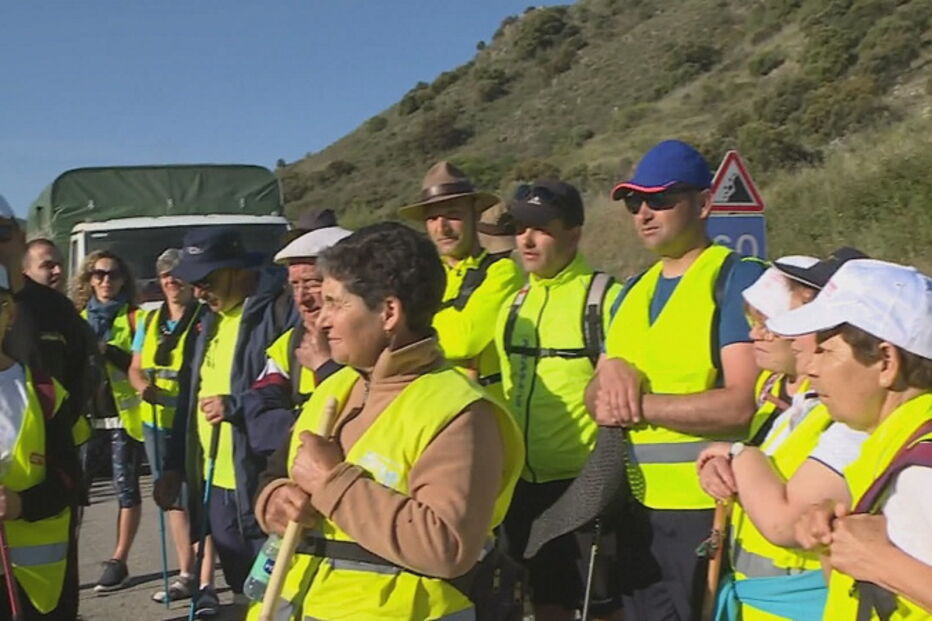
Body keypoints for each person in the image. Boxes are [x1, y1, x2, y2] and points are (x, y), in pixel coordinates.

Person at [250, 222, 523, 620]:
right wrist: (273, 498)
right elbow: (279, 469)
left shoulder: (460, 413)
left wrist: (332, 484)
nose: (321, 320)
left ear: (389, 312)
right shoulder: (334, 386)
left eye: (336, 303)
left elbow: (446, 546)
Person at [588, 140, 766, 619]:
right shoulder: (628, 294)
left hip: (709, 510)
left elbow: (741, 405)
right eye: (634, 202)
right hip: (635, 511)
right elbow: (597, 399)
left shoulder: (736, 279)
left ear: (704, 203)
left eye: (661, 199)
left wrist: (640, 406)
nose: (644, 212)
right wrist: (607, 381)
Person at [695, 255, 869, 620]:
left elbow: (784, 522)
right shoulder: (792, 401)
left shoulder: (852, 417)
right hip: (761, 603)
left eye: (773, 324)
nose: (756, 334)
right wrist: (724, 462)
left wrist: (740, 455)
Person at [771, 259, 932, 618]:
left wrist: (881, 560)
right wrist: (836, 540)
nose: (810, 368)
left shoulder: (922, 473)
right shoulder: (889, 451)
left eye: (825, 351)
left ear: (886, 362)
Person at [495, 180, 623, 621]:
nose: (526, 240)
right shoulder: (513, 305)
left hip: (586, 488)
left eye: (541, 229)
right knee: (543, 603)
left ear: (574, 233)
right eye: (519, 228)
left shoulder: (605, 298)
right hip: (522, 489)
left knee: (598, 607)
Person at [156, 227, 292, 614]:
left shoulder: (277, 311)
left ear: (234, 270)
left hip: (261, 478)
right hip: (217, 484)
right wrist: (173, 466)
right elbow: (189, 395)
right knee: (242, 591)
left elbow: (292, 395)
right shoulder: (206, 319)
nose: (197, 292)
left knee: (280, 594)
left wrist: (236, 405)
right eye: (192, 283)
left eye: (205, 281)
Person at [0, 195, 88, 618]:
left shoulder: (56, 310)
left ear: (18, 237)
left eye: (0, 233)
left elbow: (80, 394)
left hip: (45, 521)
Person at [399, 161, 523, 396]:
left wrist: (411, 334)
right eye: (433, 219)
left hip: (488, 415)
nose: (442, 228)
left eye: (452, 215)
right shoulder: (422, 275)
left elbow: (465, 340)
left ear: (475, 215)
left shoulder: (502, 272)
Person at [126, 249, 205, 603]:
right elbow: (135, 367)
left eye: (176, 274)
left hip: (191, 420)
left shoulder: (205, 318)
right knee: (172, 498)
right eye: (164, 276)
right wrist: (144, 389)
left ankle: (205, 580)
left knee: (202, 498)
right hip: (156, 421)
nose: (171, 281)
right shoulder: (149, 320)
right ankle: (186, 573)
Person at [71, 249, 148, 593]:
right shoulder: (75, 318)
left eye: (113, 274)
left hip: (123, 420)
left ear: (123, 280)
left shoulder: (136, 318)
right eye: (98, 274)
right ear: (88, 279)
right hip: (85, 421)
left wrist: (107, 351)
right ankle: (67, 557)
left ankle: (119, 560)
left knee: (126, 490)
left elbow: (141, 362)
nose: (106, 281)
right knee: (74, 492)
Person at [243, 224, 351, 459]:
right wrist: (310, 423)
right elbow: (258, 424)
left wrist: (325, 368)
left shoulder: (371, 344)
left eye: (312, 283)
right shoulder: (289, 345)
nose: (302, 299)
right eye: (294, 285)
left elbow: (361, 413)